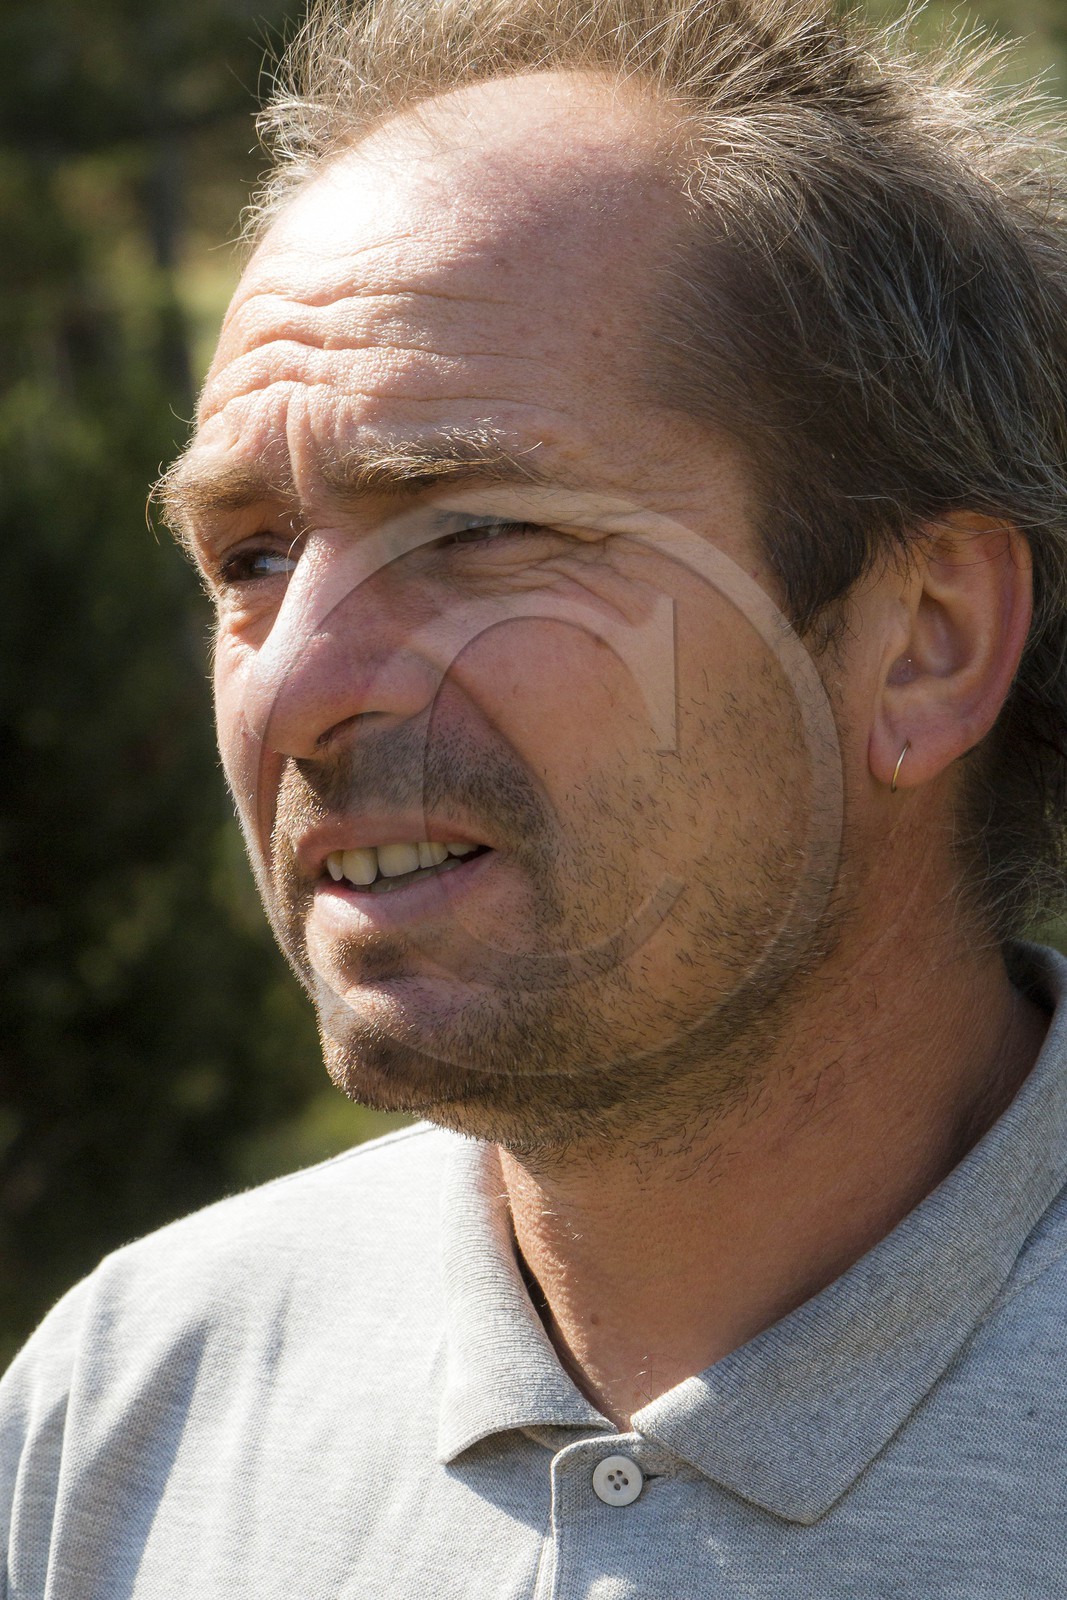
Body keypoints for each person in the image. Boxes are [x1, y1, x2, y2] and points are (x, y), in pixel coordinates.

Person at [5, 0, 1067, 1592]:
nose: (294, 689)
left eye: (477, 530)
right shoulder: (128, 1418)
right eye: (250, 559)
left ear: (925, 645)